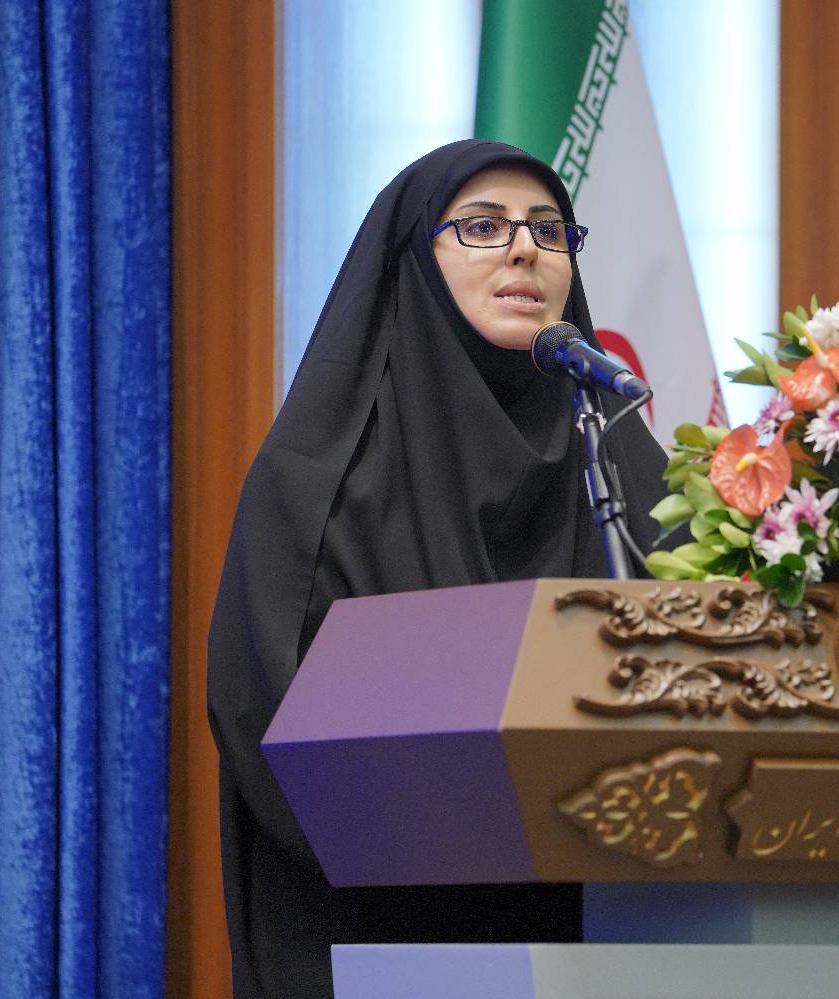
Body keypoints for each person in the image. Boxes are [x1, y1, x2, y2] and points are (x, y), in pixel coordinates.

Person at [207, 140, 672, 997]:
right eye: (484, 226)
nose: (525, 248)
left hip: (610, 927)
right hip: (380, 929)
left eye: (549, 230)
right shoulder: (315, 482)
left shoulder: (618, 458)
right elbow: (261, 713)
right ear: (413, 259)